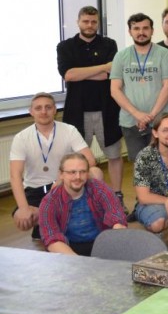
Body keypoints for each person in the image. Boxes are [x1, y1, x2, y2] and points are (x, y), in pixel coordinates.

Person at [57, 5, 125, 209]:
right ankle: (78, 201)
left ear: (98, 23)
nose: (89, 25)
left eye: (93, 22)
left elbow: (109, 75)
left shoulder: (109, 44)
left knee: (114, 156)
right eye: (85, 21)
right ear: (78, 22)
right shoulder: (65, 46)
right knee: (76, 160)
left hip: (107, 111)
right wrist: (102, 67)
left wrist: (83, 73)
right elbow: (69, 75)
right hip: (77, 112)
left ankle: (117, 196)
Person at [10, 93, 103, 239]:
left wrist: (61, 179)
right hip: (36, 191)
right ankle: (55, 220)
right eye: (38, 108)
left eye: (48, 107)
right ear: (31, 112)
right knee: (21, 219)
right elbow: (15, 175)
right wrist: (23, 208)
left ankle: (58, 220)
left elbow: (90, 160)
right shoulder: (21, 138)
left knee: (95, 172)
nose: (43, 111)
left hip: (65, 186)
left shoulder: (69, 130)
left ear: (55, 110)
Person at [110, 12, 168, 163]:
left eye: (145, 28)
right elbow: (115, 90)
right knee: (139, 164)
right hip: (131, 121)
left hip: (161, 121)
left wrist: (150, 116)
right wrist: (137, 114)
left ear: (152, 31)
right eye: (136, 28)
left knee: (163, 162)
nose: (141, 32)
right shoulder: (121, 56)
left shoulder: (164, 54)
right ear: (130, 31)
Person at [39, 153, 127, 256]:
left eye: (83, 172)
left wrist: (118, 239)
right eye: (72, 172)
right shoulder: (49, 202)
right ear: (61, 174)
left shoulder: (100, 189)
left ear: (88, 173)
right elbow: (51, 238)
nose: (78, 177)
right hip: (68, 248)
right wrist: (78, 261)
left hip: (102, 243)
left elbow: (117, 217)